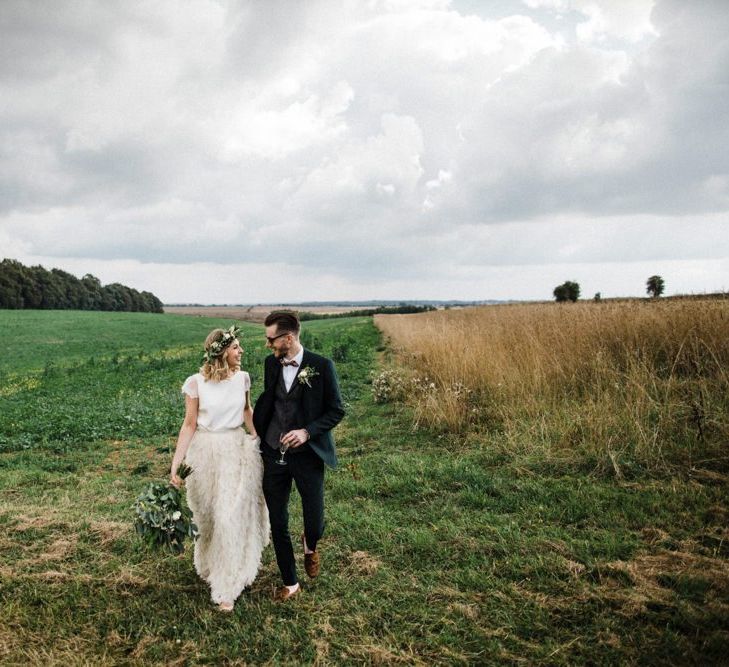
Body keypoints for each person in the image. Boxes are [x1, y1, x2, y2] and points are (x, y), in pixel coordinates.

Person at [170, 325, 269, 612]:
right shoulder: (196, 383)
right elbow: (189, 425)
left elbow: (247, 412)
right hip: (204, 454)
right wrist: (177, 463)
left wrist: (259, 440)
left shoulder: (244, 379)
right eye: (237, 347)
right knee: (208, 518)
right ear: (222, 351)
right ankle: (212, 564)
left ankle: (227, 587)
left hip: (235, 452)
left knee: (229, 517)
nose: (242, 352)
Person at [253, 311, 345, 601]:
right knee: (278, 520)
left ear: (288, 338)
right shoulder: (271, 364)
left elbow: (336, 410)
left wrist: (307, 431)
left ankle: (310, 543)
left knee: (314, 518)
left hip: (307, 454)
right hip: (273, 452)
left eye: (271, 339)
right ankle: (290, 582)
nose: (268, 345)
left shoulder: (321, 366)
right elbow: (272, 400)